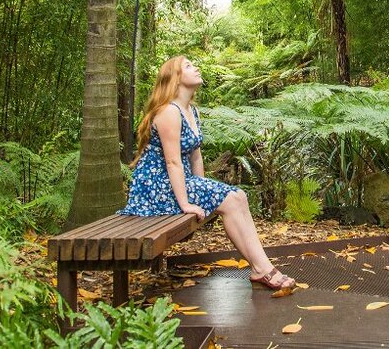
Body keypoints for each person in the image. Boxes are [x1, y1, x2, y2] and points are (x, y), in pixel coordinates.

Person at [119, 55, 295, 291]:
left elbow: (196, 156)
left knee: (239, 196)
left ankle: (260, 266)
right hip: (155, 187)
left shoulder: (191, 111)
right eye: (189, 66)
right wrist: (187, 203)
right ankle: (262, 269)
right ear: (175, 78)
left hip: (178, 182)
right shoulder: (169, 112)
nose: (196, 67)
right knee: (231, 200)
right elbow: (172, 162)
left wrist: (202, 190)